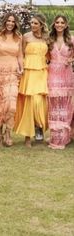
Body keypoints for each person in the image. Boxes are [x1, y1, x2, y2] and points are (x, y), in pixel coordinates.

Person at [0, 13, 23, 147]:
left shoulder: (18, 37)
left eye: (13, 21)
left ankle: (8, 132)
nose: (10, 23)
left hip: (13, 72)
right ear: (4, 22)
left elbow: (20, 55)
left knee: (10, 103)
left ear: (15, 24)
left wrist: (21, 69)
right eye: (8, 21)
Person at [14, 13, 49, 147]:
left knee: (41, 102)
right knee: (30, 102)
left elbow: (50, 54)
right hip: (28, 71)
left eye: (35, 23)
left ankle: (39, 128)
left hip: (42, 71)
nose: (32, 25)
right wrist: (20, 68)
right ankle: (27, 137)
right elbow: (21, 54)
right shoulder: (26, 36)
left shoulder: (47, 38)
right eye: (31, 23)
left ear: (41, 25)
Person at [47, 15, 74, 149]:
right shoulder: (49, 40)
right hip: (52, 73)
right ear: (54, 24)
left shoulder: (71, 40)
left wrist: (71, 60)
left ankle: (64, 136)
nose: (59, 24)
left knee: (65, 104)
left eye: (62, 22)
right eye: (57, 22)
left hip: (66, 75)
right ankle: (55, 136)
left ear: (65, 25)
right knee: (53, 105)